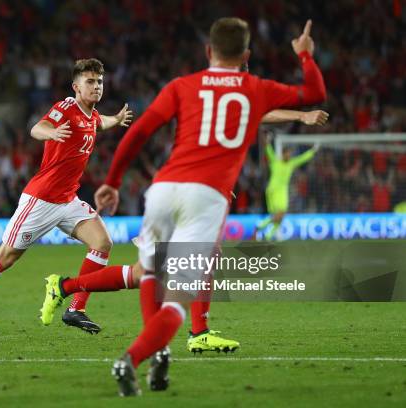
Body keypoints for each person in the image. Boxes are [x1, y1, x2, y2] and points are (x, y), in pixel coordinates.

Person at [42, 17, 326, 396]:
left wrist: (112, 180)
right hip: (204, 196)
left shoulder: (183, 86)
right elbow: (313, 91)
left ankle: (78, 293)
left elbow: (140, 130)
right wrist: (305, 56)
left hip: (163, 190)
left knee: (148, 271)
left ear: (208, 52)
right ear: (245, 55)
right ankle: (147, 351)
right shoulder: (254, 87)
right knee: (177, 294)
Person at [40, 109, 328, 353]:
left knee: (149, 272)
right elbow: (256, 114)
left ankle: (64, 287)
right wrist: (302, 115)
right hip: (183, 192)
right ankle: (197, 333)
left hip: (183, 189)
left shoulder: (215, 105)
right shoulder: (219, 100)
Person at [0, 58, 133, 340]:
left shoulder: (91, 116)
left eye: (100, 82)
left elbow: (98, 123)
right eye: (90, 82)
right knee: (5, 257)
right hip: (41, 200)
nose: (96, 87)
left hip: (68, 200)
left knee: (103, 242)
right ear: (76, 87)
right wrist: (52, 133)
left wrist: (115, 120)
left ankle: (76, 308)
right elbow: (37, 128)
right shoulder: (66, 108)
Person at [253, 134, 321, 240]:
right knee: (280, 214)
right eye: (287, 153)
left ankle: (267, 235)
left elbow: (303, 158)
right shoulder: (276, 161)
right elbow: (268, 150)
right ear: (283, 154)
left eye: (290, 154)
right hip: (274, 191)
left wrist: (312, 151)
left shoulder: (290, 163)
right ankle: (261, 227)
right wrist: (267, 141)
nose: (289, 155)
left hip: (278, 191)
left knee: (279, 217)